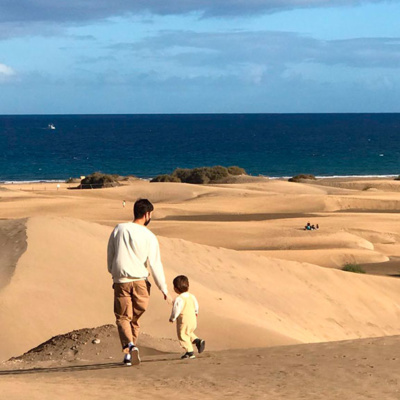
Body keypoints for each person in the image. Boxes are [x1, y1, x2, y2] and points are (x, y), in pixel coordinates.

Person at [107, 198, 169, 366]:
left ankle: (130, 348)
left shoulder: (119, 229)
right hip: (141, 282)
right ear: (147, 214)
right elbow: (155, 264)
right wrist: (163, 288)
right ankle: (129, 351)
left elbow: (110, 253)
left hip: (122, 280)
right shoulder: (149, 236)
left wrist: (112, 271)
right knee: (131, 319)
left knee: (124, 319)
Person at [169, 275, 205, 359]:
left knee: (182, 335)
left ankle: (190, 352)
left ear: (176, 288)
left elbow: (176, 309)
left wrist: (172, 318)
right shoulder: (191, 296)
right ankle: (198, 341)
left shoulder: (179, 299)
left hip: (184, 320)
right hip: (193, 319)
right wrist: (196, 312)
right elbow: (196, 305)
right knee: (188, 333)